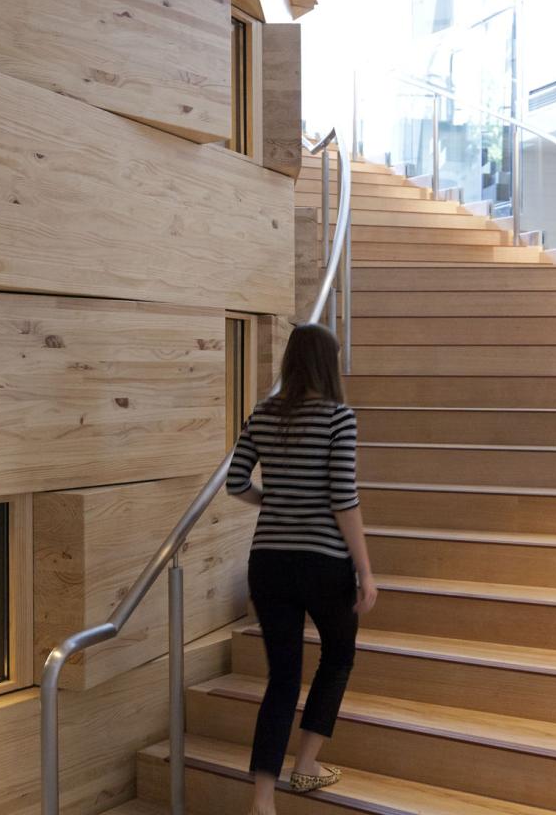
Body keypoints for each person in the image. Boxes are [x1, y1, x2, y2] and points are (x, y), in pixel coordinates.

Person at [226, 323, 377, 815]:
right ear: (327, 365)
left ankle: (263, 800)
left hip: (267, 561)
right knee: (337, 658)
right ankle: (307, 764)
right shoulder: (339, 418)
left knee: (282, 678)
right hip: (323, 562)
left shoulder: (263, 413)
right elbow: (342, 500)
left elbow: (234, 483)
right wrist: (366, 570)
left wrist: (278, 501)